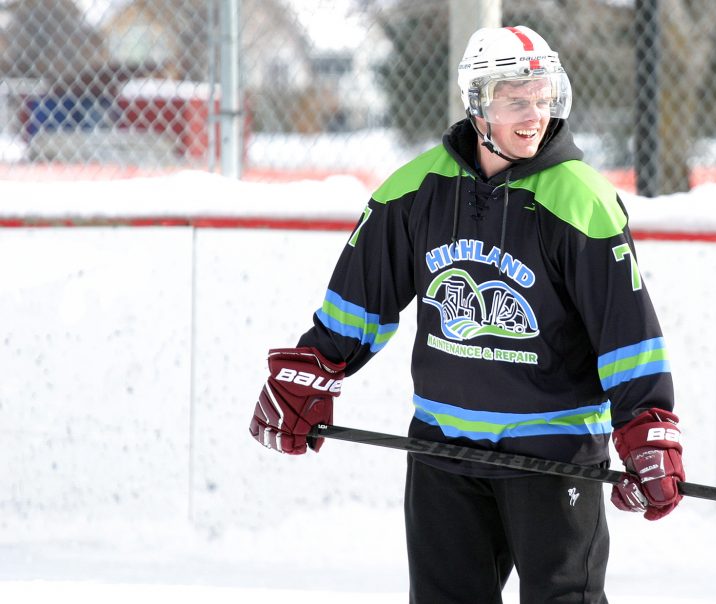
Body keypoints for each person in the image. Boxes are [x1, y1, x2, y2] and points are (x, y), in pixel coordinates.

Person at [249, 25, 685, 603]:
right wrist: (314, 368)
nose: (534, 117)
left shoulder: (583, 201)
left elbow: (625, 332)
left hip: (550, 455)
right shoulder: (414, 191)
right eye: (515, 102)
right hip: (442, 448)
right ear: (478, 104)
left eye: (542, 99)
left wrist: (646, 425)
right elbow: (361, 298)